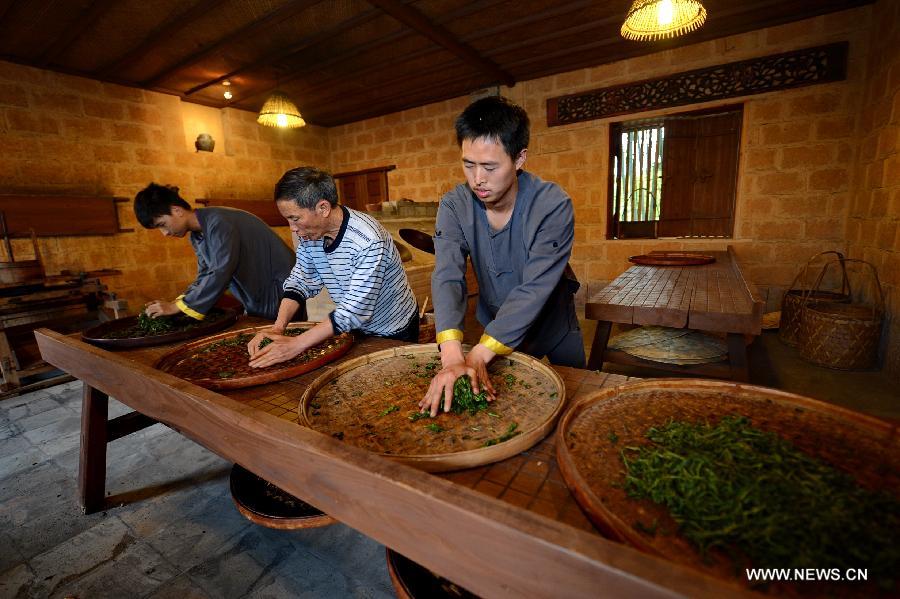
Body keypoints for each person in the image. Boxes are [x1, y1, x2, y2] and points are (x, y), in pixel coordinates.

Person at [420, 96, 584, 417]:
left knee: (575, 403)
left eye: (490, 167)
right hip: (495, 327)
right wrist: (452, 356)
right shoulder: (454, 205)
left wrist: (479, 355)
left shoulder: (552, 205)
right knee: (509, 411)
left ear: (519, 158)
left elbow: (535, 289)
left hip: (553, 326)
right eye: (468, 164)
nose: (477, 178)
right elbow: (448, 276)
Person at [246, 166, 418, 368]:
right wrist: (278, 328)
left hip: (393, 329)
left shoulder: (368, 240)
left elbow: (354, 312)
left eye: (295, 218)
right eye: (287, 219)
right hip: (354, 327)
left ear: (323, 208)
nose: (292, 227)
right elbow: (301, 280)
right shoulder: (309, 234)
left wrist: (295, 345)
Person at [133, 183, 300, 322]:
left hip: (281, 292)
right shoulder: (197, 236)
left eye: (162, 224)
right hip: (260, 297)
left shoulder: (218, 222)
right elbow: (205, 275)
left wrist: (175, 307)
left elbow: (221, 271)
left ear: (177, 210)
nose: (165, 233)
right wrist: (178, 303)